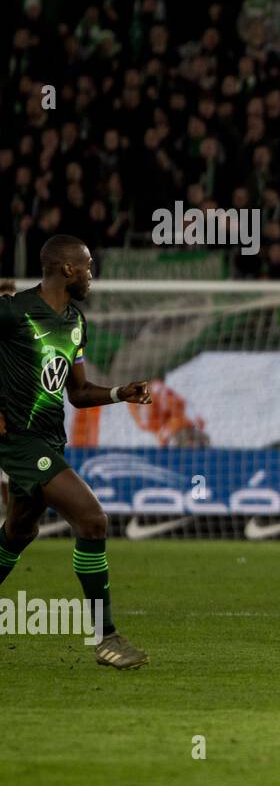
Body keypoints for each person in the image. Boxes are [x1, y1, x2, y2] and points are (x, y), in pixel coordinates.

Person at [0, 235, 153, 668]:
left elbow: (80, 392)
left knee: (19, 532)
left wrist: (122, 392)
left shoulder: (74, 321)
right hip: (21, 442)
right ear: (66, 269)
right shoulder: (13, 311)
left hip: (50, 438)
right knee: (93, 520)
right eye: (86, 265)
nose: (91, 272)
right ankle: (106, 639)